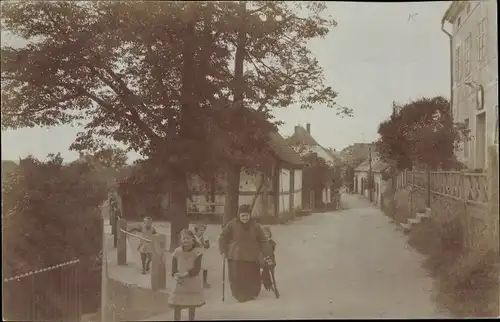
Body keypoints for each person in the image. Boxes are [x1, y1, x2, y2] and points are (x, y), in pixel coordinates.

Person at [218, 204, 274, 303]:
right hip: (236, 255)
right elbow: (222, 237)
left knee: (252, 275)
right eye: (242, 215)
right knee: (237, 277)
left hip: (252, 255)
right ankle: (239, 295)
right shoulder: (232, 224)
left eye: (247, 215)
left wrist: (266, 253)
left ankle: (252, 293)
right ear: (239, 215)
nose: (245, 218)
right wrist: (223, 250)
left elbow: (263, 241)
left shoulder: (256, 226)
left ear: (250, 215)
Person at [168, 229, 205, 321]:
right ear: (181, 240)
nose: (185, 240)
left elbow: (197, 269)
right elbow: (174, 266)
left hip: (192, 281)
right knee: (177, 304)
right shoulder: (177, 252)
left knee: (191, 304)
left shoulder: (197, 252)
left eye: (188, 238)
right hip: (180, 281)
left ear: (193, 239)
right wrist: (175, 274)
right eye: (183, 238)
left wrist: (187, 274)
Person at [193, 223, 211, 288]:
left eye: (203, 230)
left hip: (203, 253)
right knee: (195, 267)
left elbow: (208, 246)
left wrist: (204, 243)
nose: (202, 232)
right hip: (194, 253)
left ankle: (204, 282)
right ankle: (194, 282)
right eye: (200, 230)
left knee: (204, 267)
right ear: (196, 230)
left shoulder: (205, 237)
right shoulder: (193, 237)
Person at [260, 226, 276, 292]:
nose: (266, 235)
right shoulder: (260, 242)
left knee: (271, 271)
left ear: (269, 234)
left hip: (270, 259)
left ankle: (271, 282)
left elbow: (272, 249)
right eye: (264, 234)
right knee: (265, 272)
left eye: (267, 234)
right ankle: (267, 284)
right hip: (263, 260)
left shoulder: (271, 242)